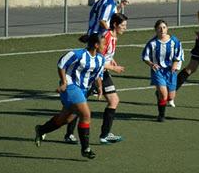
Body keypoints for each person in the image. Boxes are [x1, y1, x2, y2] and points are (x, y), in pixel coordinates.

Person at [34, 33, 105, 159]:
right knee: (86, 114)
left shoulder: (101, 59)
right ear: (96, 45)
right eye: (103, 44)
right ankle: (85, 149)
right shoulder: (78, 54)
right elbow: (61, 64)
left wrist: (99, 87)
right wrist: (64, 82)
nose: (105, 46)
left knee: (65, 119)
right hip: (70, 87)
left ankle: (41, 130)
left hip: (83, 90)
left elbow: (98, 75)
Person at [64, 14, 128, 144]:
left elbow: (104, 55)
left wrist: (111, 60)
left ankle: (105, 135)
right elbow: (97, 59)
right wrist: (113, 68)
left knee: (114, 100)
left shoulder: (114, 37)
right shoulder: (107, 37)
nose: (125, 28)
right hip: (94, 75)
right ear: (115, 25)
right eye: (123, 25)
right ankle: (68, 134)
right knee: (78, 106)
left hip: (103, 73)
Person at [142, 20, 184, 122]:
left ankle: (160, 94)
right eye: (159, 28)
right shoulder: (152, 43)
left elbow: (179, 54)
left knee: (170, 96)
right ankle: (161, 115)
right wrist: (152, 64)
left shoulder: (174, 41)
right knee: (164, 94)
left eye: (164, 27)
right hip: (158, 70)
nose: (162, 30)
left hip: (171, 71)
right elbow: (145, 57)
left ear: (167, 28)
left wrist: (175, 64)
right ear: (155, 30)